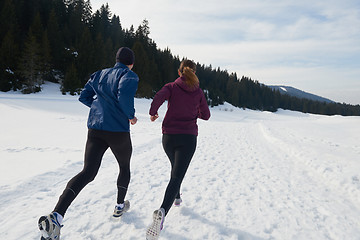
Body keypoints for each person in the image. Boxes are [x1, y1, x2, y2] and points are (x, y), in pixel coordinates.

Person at [38, 47, 139, 240]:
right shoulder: (129, 75)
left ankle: (56, 216)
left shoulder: (99, 74)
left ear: (116, 59)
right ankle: (119, 206)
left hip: (95, 129)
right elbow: (125, 98)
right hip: (117, 131)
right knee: (124, 167)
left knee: (87, 172)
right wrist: (131, 116)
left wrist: (99, 108)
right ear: (131, 62)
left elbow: (84, 97)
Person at [146, 59, 210, 239]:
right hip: (188, 138)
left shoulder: (172, 86)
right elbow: (206, 115)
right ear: (194, 72)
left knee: (176, 168)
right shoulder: (197, 91)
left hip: (168, 138)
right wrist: (194, 111)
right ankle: (162, 212)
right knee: (177, 174)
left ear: (179, 71)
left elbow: (158, 97)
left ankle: (177, 197)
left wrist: (153, 112)